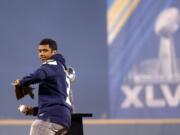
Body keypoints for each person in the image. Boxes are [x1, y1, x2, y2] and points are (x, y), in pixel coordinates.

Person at [13, 38, 73, 135]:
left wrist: (21, 82)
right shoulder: (62, 69)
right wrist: (34, 111)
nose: (41, 54)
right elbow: (59, 101)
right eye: (39, 51)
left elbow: (38, 75)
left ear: (54, 52)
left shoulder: (50, 64)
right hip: (64, 121)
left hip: (50, 119)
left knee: (37, 126)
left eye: (45, 50)